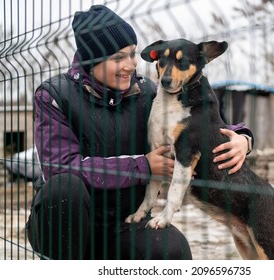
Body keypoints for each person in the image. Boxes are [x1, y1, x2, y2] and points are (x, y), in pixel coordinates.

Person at [26, 5, 254, 260]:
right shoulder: (54, 96)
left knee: (172, 249)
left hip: (124, 221)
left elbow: (200, 122)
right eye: (117, 58)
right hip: (68, 222)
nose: (130, 65)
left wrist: (243, 138)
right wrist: (143, 166)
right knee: (64, 189)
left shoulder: (146, 92)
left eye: (132, 54)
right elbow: (59, 168)